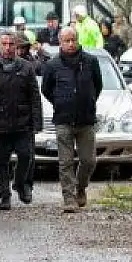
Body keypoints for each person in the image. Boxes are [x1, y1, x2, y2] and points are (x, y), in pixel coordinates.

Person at [41, 27, 103, 213]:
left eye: (73, 40)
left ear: (77, 40)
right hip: (63, 120)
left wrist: (88, 101)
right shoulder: (52, 65)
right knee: (65, 162)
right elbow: (46, 89)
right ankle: (69, 198)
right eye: (66, 40)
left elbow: (97, 86)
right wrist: (61, 102)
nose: (70, 44)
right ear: (60, 42)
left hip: (85, 120)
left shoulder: (90, 61)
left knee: (89, 160)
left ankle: (81, 187)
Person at [0, 30, 42, 211]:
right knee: (1, 162)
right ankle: (4, 195)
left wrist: (37, 122)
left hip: (22, 123)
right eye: (4, 44)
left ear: (16, 47)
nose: (8, 48)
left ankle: (20, 183)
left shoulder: (26, 67)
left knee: (26, 156)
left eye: (11, 44)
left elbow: (35, 96)